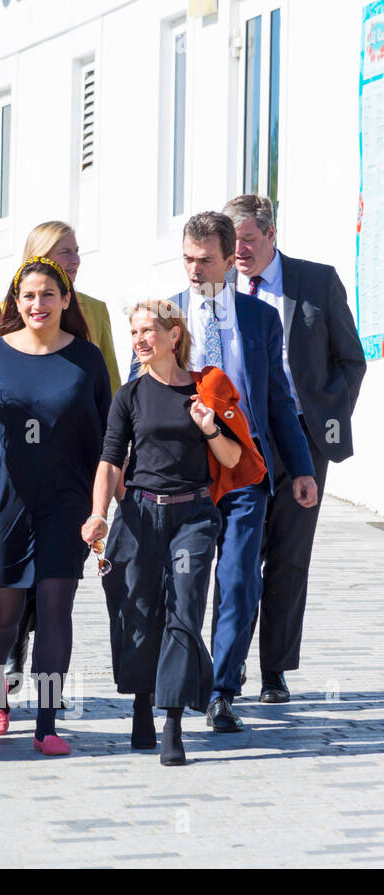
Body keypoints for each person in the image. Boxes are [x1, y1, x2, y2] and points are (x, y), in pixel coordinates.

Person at [159, 212, 317, 733]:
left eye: (206, 259)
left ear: (231, 260)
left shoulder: (259, 319)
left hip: (247, 473)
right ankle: (186, 683)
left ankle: (224, 691)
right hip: (187, 476)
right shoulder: (166, 315)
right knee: (186, 584)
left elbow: (278, 399)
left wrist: (300, 467)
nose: (194, 268)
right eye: (187, 258)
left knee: (240, 579)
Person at [85, 300, 259, 766]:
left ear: (174, 335)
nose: (140, 340)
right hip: (139, 515)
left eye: (148, 330)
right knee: (137, 611)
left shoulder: (204, 390)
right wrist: (99, 513)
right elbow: (109, 460)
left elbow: (229, 460)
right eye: (135, 332)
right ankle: (142, 702)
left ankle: (174, 720)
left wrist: (208, 428)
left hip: (194, 517)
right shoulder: (129, 395)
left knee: (184, 609)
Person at [0, 257, 111, 756]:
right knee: (5, 610)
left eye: (48, 294)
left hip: (66, 503)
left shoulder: (87, 360)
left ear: (66, 300)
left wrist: (100, 508)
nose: (37, 304)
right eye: (28, 295)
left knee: (54, 607)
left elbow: (105, 443)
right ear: (15, 301)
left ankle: (47, 719)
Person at [223, 194, 367, 703]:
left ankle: (275, 671)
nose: (238, 251)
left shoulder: (316, 280)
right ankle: (229, 664)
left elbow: (351, 359)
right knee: (238, 555)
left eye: (247, 240)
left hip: (303, 439)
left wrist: (326, 418)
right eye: (231, 241)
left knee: (289, 555)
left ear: (271, 234)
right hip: (238, 440)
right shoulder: (219, 290)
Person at [4, 220, 123, 689]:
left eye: (75, 251)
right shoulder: (12, 303)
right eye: (61, 252)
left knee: (57, 570)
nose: (72, 260)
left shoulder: (93, 309)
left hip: (75, 458)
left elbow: (109, 381)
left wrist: (116, 453)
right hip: (20, 460)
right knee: (18, 569)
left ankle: (42, 672)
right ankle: (14, 652)